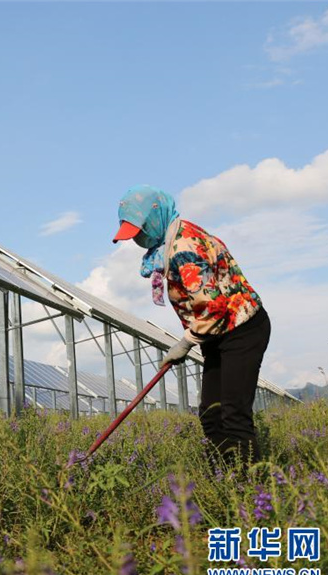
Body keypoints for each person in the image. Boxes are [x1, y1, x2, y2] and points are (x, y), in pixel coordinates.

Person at [112, 185, 271, 466]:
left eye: (140, 230)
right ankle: (223, 477)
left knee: (234, 415)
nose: (138, 239)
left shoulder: (184, 248)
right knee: (211, 414)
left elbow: (213, 307)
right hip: (217, 334)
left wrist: (185, 343)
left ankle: (254, 493)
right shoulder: (172, 238)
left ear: (155, 217)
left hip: (241, 329)